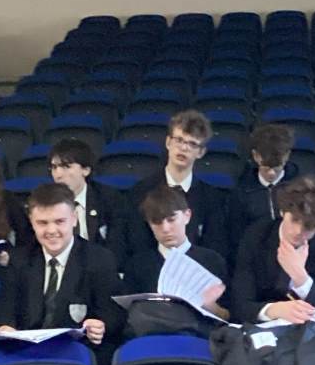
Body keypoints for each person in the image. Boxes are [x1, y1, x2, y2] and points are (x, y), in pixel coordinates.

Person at [0, 181, 125, 353]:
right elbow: (5, 311)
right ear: (31, 222)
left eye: (59, 221)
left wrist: (99, 326)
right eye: (42, 223)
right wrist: (4, 327)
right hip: (26, 351)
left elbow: (113, 317)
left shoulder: (99, 259)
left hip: (77, 351)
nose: (51, 230)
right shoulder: (19, 260)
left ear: (74, 218)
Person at [231, 174, 315, 326]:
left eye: (308, 227)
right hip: (263, 329)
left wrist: (301, 278)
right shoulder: (257, 236)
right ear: (282, 212)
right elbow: (240, 304)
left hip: (311, 333)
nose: (298, 231)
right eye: (294, 220)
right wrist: (274, 310)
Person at [124, 108, 229, 266]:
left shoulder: (212, 198)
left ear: (201, 152)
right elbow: (136, 242)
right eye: (179, 140)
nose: (184, 148)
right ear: (168, 142)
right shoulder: (141, 191)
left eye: (192, 144)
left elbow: (215, 247)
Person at [122, 185, 229, 316]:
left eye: (171, 220)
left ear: (187, 216)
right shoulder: (138, 265)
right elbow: (128, 313)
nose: (165, 229)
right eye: (157, 222)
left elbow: (229, 315)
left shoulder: (212, 261)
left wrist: (210, 306)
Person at [48, 136, 124, 250]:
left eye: (66, 166)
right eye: (54, 167)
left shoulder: (109, 199)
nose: (58, 175)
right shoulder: (45, 202)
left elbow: (117, 247)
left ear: (86, 170)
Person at [232, 123, 298, 231]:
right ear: (256, 156)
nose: (271, 173)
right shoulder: (242, 191)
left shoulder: (301, 188)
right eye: (266, 167)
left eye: (277, 167)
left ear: (287, 155)